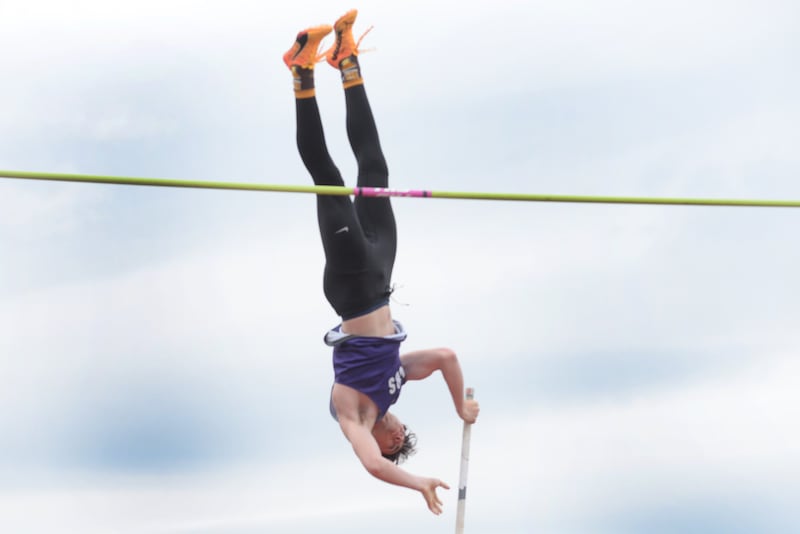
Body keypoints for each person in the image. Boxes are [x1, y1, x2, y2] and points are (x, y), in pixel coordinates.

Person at [283, 9, 480, 516]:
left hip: (352, 287)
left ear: (383, 442)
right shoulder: (396, 383)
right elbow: (447, 357)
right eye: (404, 439)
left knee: (328, 178)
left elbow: (372, 466)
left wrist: (416, 482)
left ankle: (301, 73)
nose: (400, 436)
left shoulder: (352, 413)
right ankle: (347, 60)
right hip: (382, 272)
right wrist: (460, 405)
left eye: (398, 445)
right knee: (375, 168)